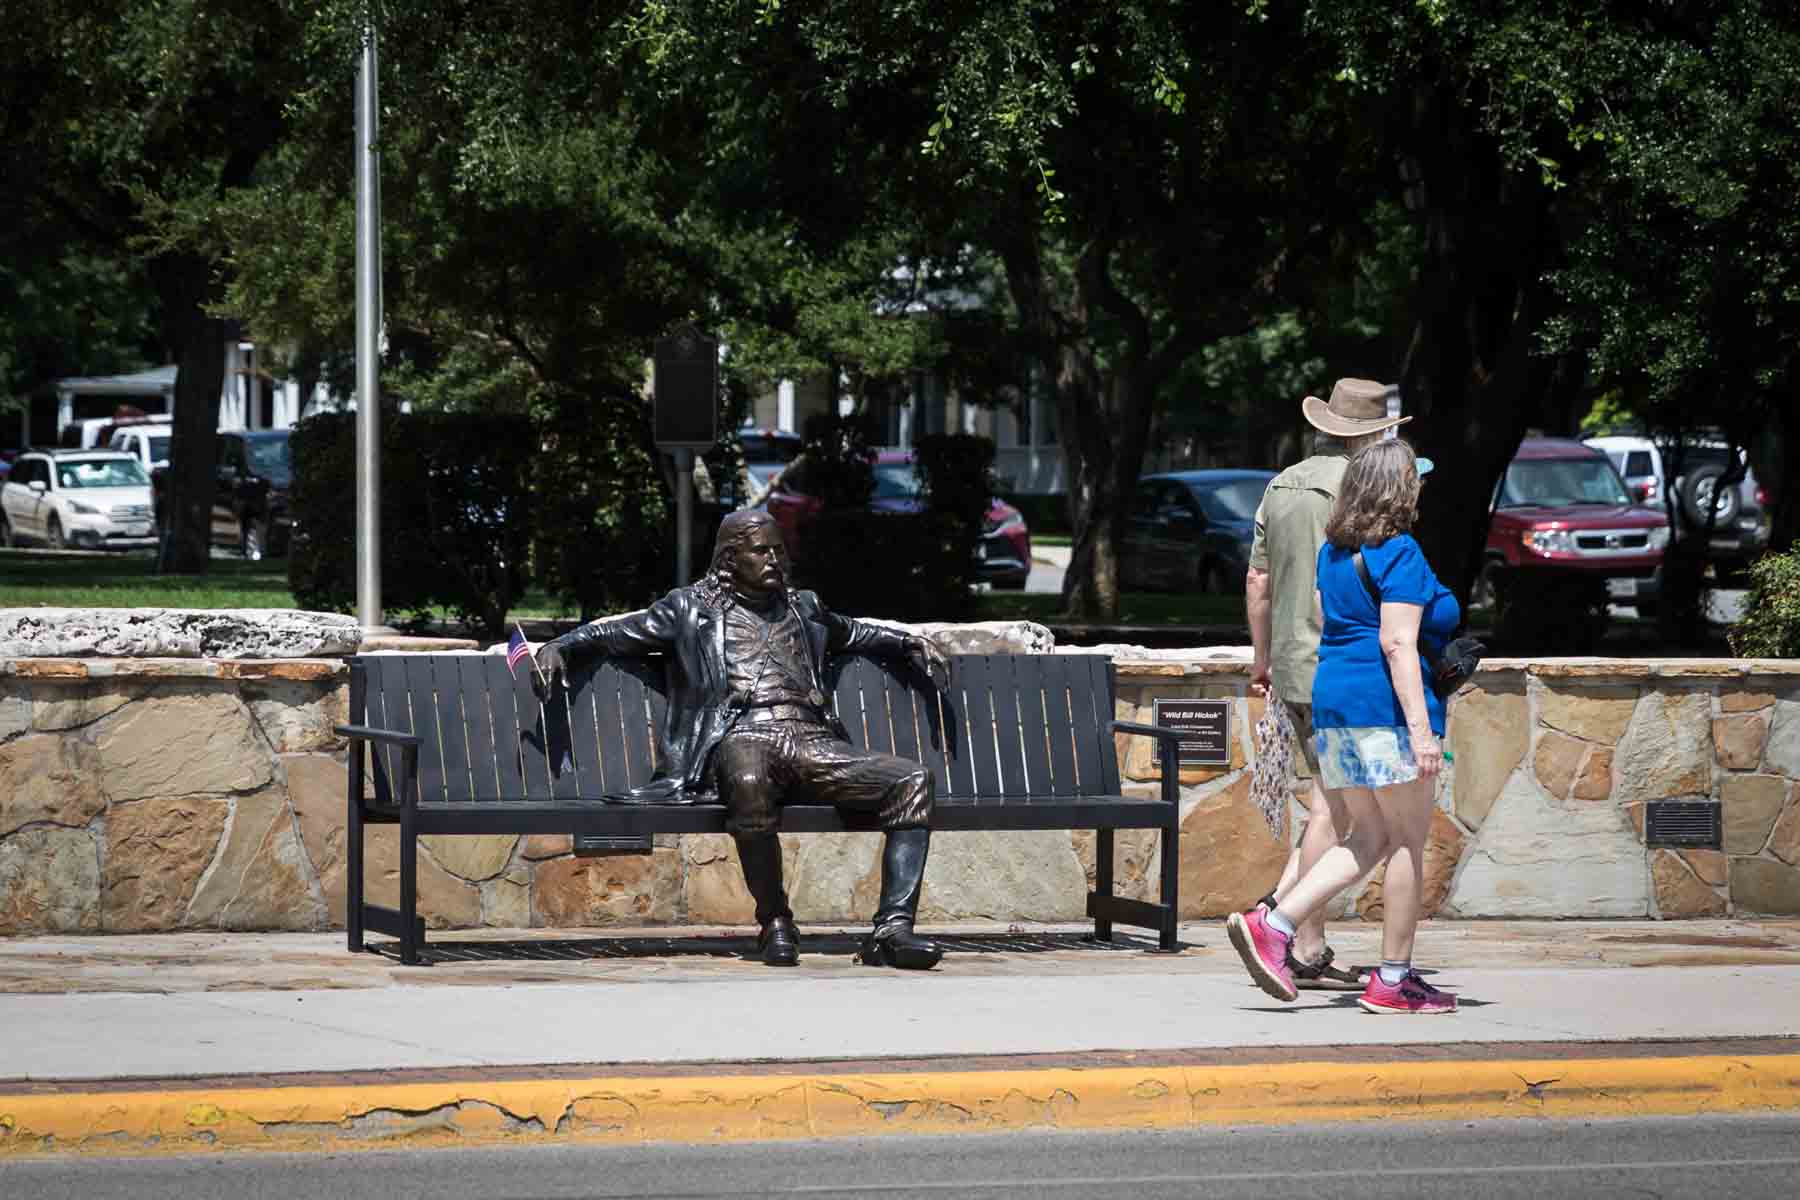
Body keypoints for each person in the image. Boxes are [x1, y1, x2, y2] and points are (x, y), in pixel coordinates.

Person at [532, 509, 952, 971]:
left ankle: (892, 932)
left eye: (779, 550)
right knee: (749, 779)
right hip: (739, 736)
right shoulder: (690, 609)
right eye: (762, 551)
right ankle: (775, 921)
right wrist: (560, 647)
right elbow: (615, 633)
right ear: (731, 559)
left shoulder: (803, 607)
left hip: (811, 739)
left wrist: (907, 641)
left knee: (912, 780)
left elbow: (854, 631)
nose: (774, 559)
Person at [1230, 438, 1460, 1014]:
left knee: (1367, 836)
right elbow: (1397, 642)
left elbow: (1323, 608)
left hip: (1332, 699)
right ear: (1400, 489)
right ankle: (1393, 979)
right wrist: (1421, 732)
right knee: (1406, 840)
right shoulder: (1400, 552)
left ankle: (1275, 924)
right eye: (1416, 479)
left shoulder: (1333, 553)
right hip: (1381, 706)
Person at [1242, 377, 1411, 991]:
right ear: (1371, 435)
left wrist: (1262, 659)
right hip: (1346, 664)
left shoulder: (1280, 485)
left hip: (1289, 663)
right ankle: (1293, 938)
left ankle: (1284, 928)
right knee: (1333, 812)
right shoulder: (1367, 493)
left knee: (1328, 804)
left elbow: (1257, 583)